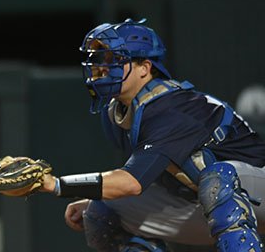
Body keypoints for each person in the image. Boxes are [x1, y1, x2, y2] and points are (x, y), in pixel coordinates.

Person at [38, 19, 265, 251]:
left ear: (145, 68)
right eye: (101, 59)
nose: (103, 68)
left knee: (219, 179)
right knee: (101, 210)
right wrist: (93, 199)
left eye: (114, 59)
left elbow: (131, 183)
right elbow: (148, 175)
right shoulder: (120, 112)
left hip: (254, 188)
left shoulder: (171, 108)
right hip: (210, 201)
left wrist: (57, 184)